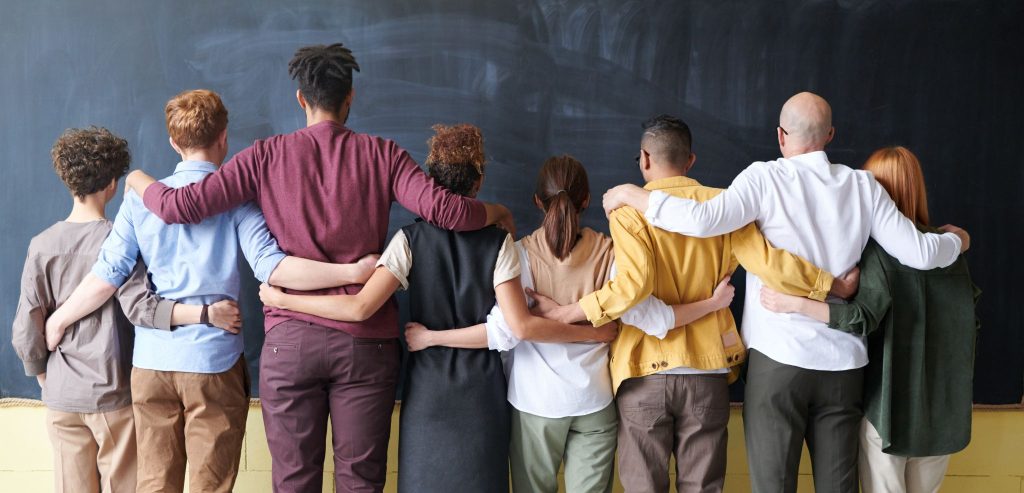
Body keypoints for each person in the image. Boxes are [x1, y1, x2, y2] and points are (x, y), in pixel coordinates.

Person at [124, 44, 514, 493]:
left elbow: (181, 206)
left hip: (290, 345)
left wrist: (136, 179)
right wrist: (498, 211)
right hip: (366, 346)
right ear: (350, 97)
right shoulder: (383, 155)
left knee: (294, 482)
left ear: (300, 99)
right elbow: (450, 212)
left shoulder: (264, 156)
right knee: (361, 482)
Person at [601, 93, 970, 493]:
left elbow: (702, 219)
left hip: (778, 361)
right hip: (844, 364)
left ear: (780, 135)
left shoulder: (763, 178)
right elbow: (920, 253)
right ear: (830, 134)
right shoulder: (863, 187)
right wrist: (957, 241)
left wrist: (630, 195)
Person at [44, 90, 376, 493]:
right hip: (212, 363)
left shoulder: (138, 202)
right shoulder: (237, 201)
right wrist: (351, 271)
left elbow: (107, 276)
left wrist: (59, 319)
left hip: (151, 365)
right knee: (211, 485)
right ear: (224, 137)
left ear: (173, 142)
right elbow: (274, 268)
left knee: (153, 483)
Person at [259, 124, 616, 493]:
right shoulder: (501, 243)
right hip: (482, 391)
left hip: (429, 390)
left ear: (429, 180)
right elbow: (514, 327)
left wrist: (284, 299)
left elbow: (360, 307)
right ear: (478, 183)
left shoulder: (409, 240)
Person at [532, 115, 852, 493]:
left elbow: (631, 287)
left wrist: (566, 313)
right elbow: (769, 263)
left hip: (643, 371)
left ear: (645, 159)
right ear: (691, 160)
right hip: (708, 370)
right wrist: (829, 284)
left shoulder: (627, 210)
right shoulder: (725, 204)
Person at [403, 153, 737, 493]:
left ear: (537, 201)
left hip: (535, 403)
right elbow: (641, 318)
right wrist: (595, 332)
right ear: (587, 200)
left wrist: (433, 337)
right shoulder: (612, 251)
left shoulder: (518, 253)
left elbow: (504, 331)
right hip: (595, 399)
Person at [11, 126, 239, 493]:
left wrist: (41, 372)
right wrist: (202, 314)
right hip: (112, 394)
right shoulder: (119, 238)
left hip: (60, 397)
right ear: (113, 185)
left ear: (67, 181)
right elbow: (140, 307)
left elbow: (26, 324)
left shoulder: (41, 245)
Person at [759, 146, 981, 493]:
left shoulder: (876, 252)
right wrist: (960, 238)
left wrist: (795, 304)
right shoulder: (950, 252)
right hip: (943, 412)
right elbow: (968, 326)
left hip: (889, 411)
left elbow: (862, 317)